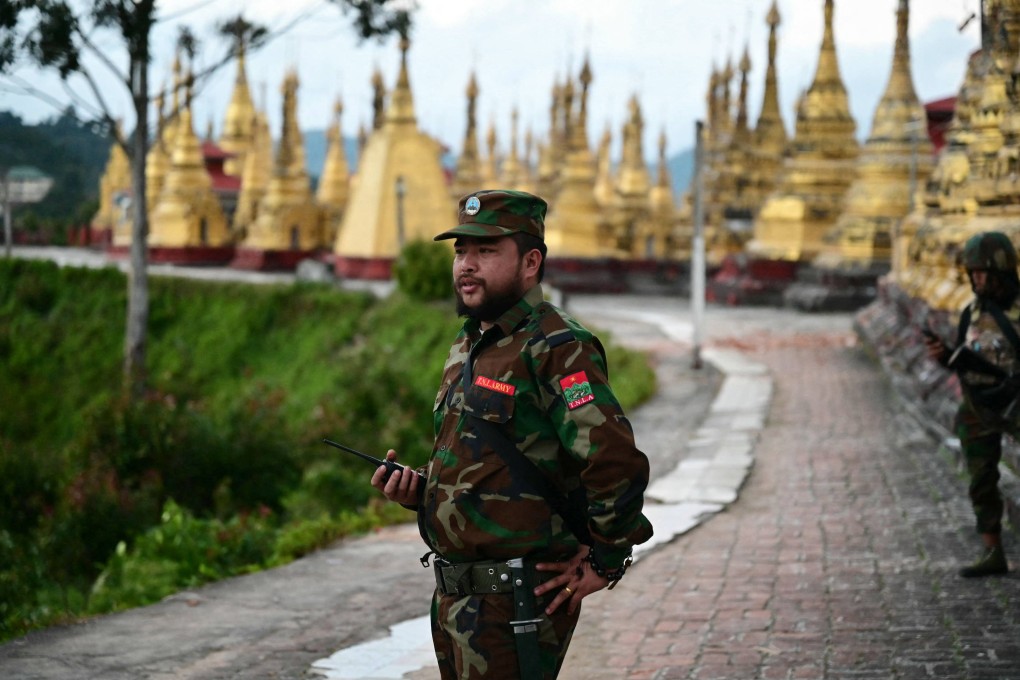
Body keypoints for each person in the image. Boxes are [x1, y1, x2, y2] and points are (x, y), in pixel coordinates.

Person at [371, 189, 654, 678]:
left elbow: (613, 460)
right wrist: (420, 488)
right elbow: (486, 457)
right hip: (456, 599)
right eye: (461, 251)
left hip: (518, 602)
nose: (466, 265)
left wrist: (606, 559)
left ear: (530, 261)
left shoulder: (558, 346)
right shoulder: (469, 342)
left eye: (485, 251)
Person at [924, 230, 1020, 578]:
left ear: (1001, 271)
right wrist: (945, 357)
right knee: (981, 478)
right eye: (973, 272)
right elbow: (967, 360)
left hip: (1015, 402)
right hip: (978, 405)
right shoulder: (971, 313)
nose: (976, 279)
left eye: (983, 272)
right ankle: (992, 549)